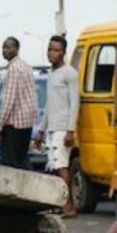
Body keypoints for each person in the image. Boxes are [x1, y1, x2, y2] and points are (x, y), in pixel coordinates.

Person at [38, 35, 80, 216]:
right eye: (49, 49)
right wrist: (41, 129)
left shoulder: (69, 73)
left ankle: (69, 206)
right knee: (54, 167)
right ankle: (60, 202)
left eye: (56, 50)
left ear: (63, 52)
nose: (52, 53)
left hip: (63, 128)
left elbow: (75, 103)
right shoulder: (52, 74)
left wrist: (70, 130)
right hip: (52, 128)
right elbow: (49, 104)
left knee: (62, 166)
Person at [0, 37, 37, 169]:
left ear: (17, 49)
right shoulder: (26, 67)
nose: (4, 51)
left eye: (8, 47)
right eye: (3, 48)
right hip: (27, 123)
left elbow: (9, 100)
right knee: (22, 160)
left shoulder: (13, 69)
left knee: (11, 163)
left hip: (14, 125)